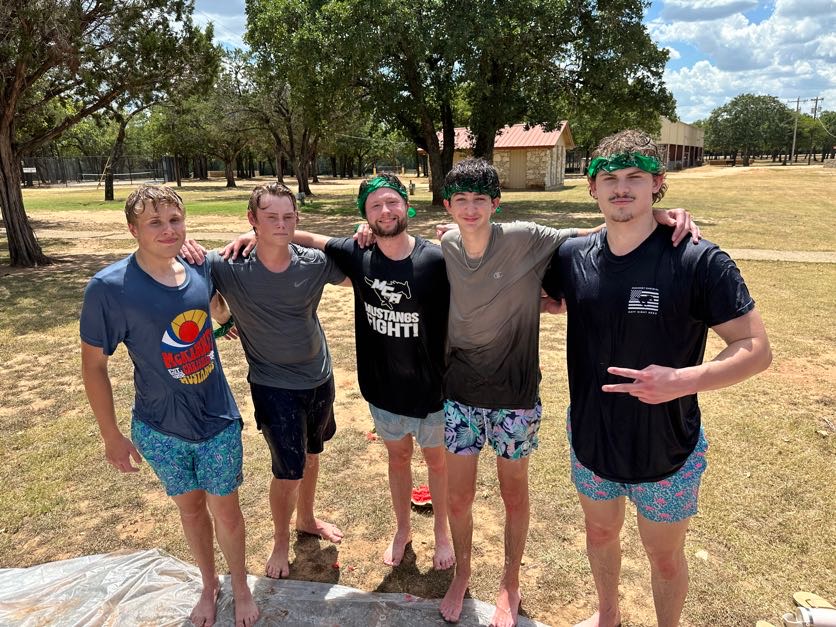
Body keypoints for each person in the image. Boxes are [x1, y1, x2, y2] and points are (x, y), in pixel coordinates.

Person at [437, 158, 698, 627]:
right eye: (461, 200)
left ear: (496, 204)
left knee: (513, 495)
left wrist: (657, 214)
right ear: (448, 205)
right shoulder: (448, 243)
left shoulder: (526, 237)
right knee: (457, 500)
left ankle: (510, 583)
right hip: (459, 397)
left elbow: (598, 233)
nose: (471, 209)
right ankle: (462, 576)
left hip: (514, 399)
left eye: (481, 200)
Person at [541, 130, 772, 627]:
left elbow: (755, 350)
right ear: (592, 188)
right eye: (610, 179)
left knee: (664, 557)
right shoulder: (570, 257)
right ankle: (609, 617)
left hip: (668, 448)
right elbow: (550, 297)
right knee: (600, 536)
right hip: (591, 438)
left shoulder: (697, 259)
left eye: (634, 178)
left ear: (658, 185)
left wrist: (682, 380)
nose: (621, 189)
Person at [215, 174, 455, 571]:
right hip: (383, 391)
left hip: (434, 391)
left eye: (392, 202)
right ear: (364, 214)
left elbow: (482, 267)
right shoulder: (357, 254)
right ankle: (402, 530)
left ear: (407, 206)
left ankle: (442, 534)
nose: (386, 211)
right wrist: (254, 233)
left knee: (438, 464)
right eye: (375, 206)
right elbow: (307, 238)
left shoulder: (437, 258)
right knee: (397, 461)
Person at [80, 185, 259, 627]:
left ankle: (240, 587)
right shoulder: (109, 289)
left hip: (216, 420)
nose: (168, 230)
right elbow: (94, 368)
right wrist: (112, 436)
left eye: (175, 220)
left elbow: (218, 300)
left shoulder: (201, 265)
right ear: (132, 229)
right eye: (154, 223)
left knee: (227, 512)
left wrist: (227, 319)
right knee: (191, 509)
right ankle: (208, 585)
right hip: (159, 429)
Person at [196, 183, 347, 580]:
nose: (281, 225)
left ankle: (307, 520)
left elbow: (360, 269)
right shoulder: (227, 264)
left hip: (320, 375)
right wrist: (222, 314)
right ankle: (281, 541)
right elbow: (191, 275)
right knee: (288, 470)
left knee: (313, 453)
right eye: (270, 217)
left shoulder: (314, 263)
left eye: (288, 217)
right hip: (273, 384)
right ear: (252, 221)